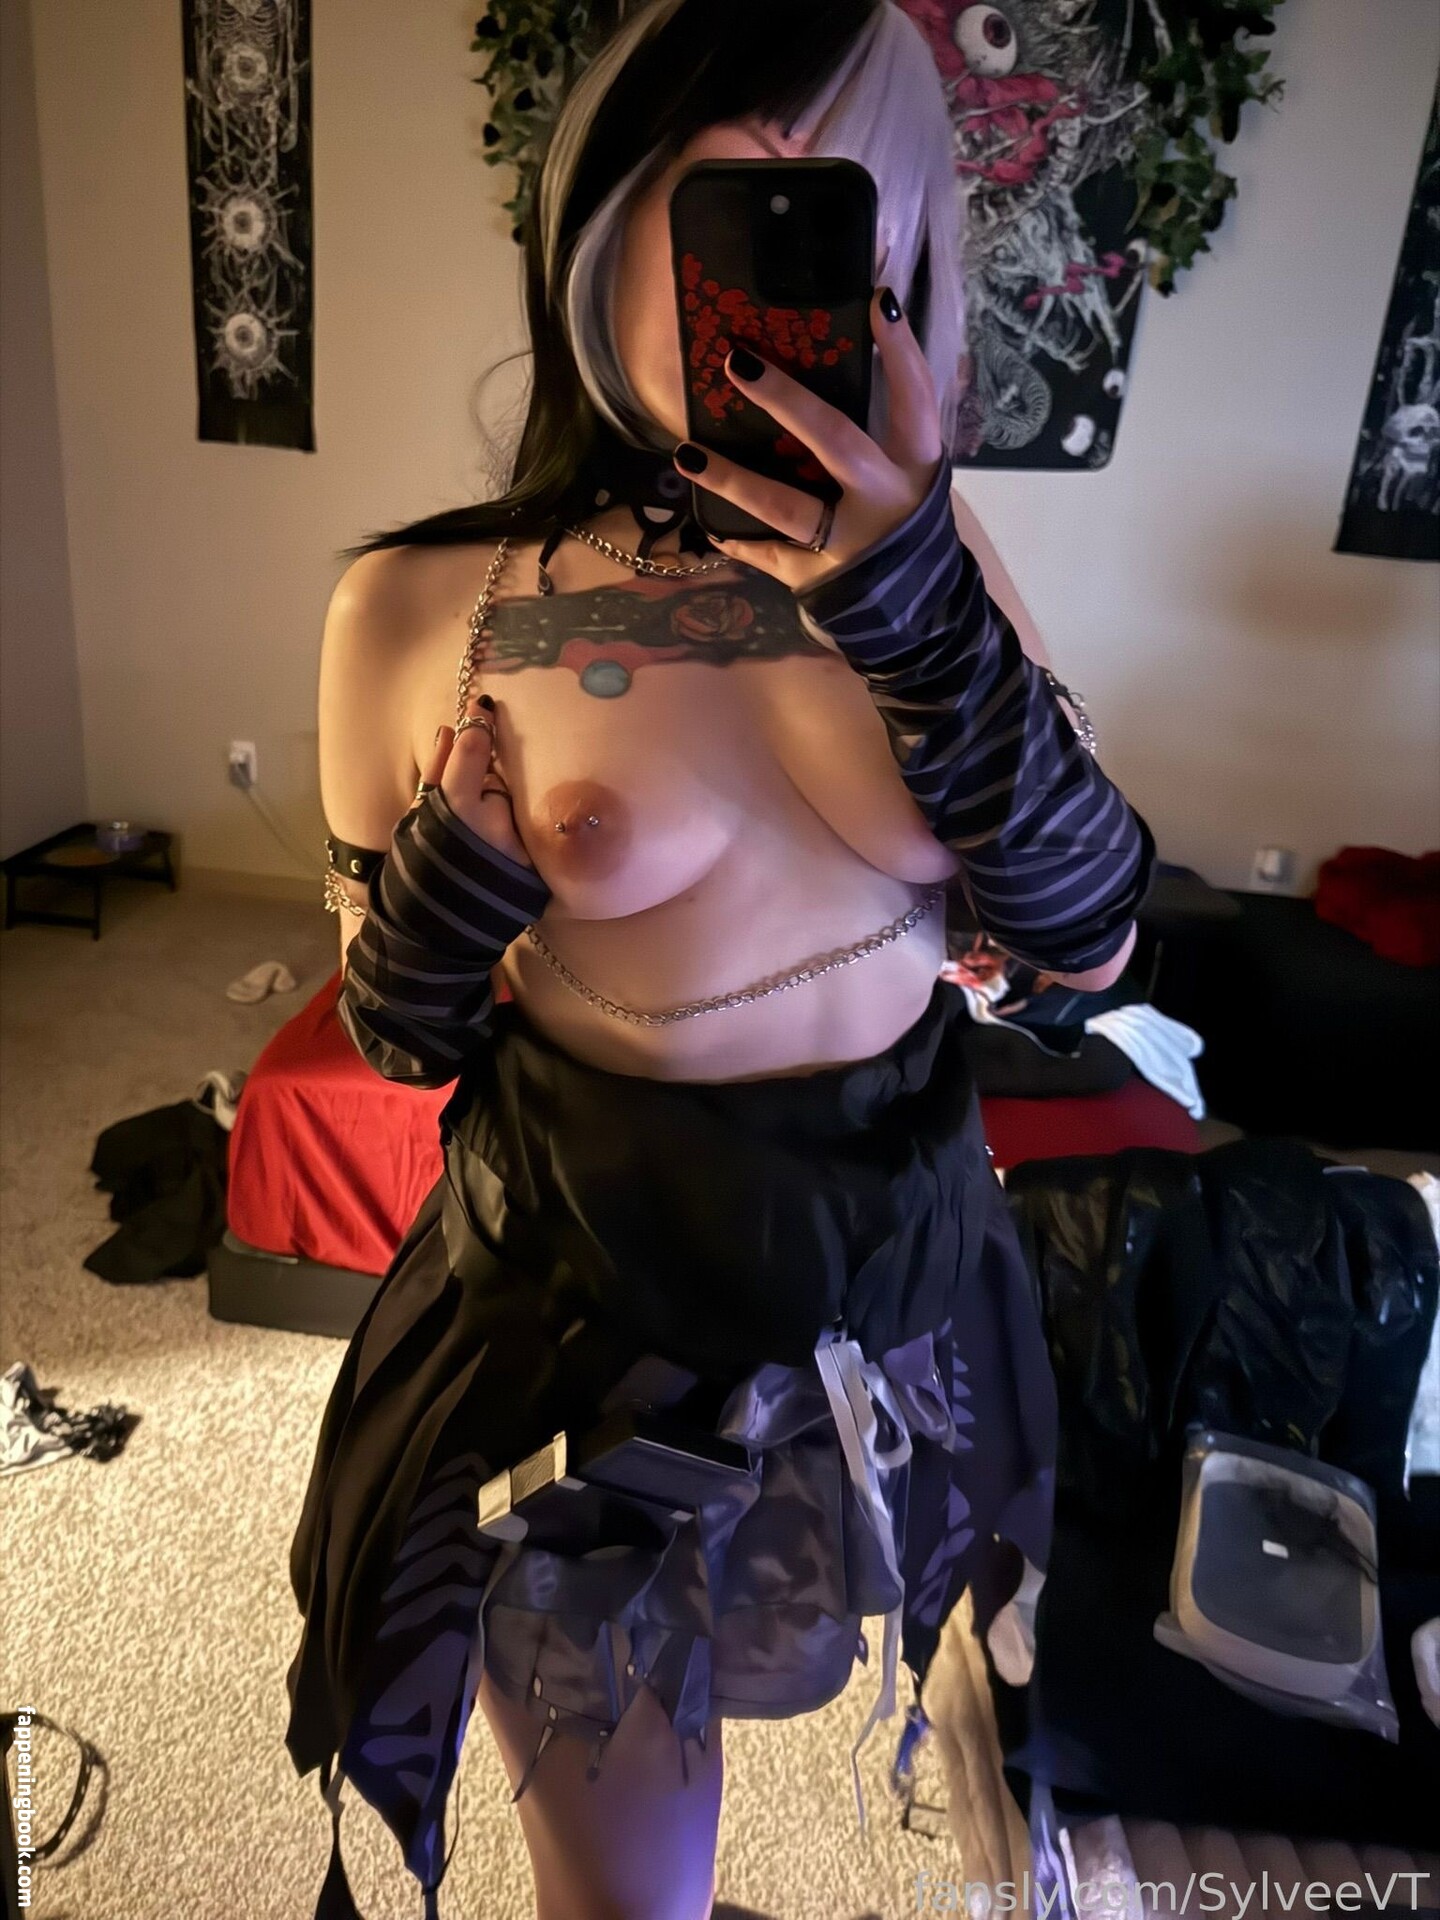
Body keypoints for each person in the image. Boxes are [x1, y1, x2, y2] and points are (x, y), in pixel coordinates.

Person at [285, 3, 1155, 1916]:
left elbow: (1088, 941)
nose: (780, 285)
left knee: (832, 1684)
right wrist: (455, 880)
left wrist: (909, 601)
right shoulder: (421, 605)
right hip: (591, 1319)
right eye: (730, 214)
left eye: (846, 228)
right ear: (607, 224)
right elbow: (399, 1036)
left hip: (888, 1289)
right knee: (625, 1884)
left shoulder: (946, 566)